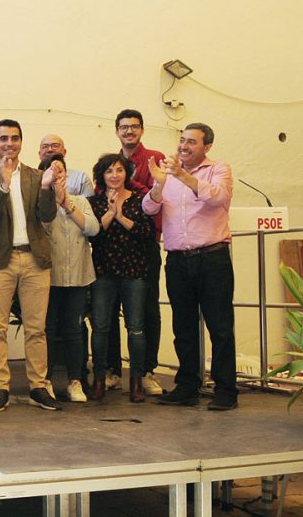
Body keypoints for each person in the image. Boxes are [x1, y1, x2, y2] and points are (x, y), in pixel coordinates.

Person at [143, 123, 237, 410]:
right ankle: (187, 385)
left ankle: (225, 390)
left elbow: (218, 197)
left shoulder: (218, 169)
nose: (183, 146)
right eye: (182, 141)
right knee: (182, 326)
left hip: (212, 258)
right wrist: (159, 182)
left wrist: (181, 176)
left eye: (191, 142)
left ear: (207, 146)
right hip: (178, 261)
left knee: (219, 327)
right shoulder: (167, 174)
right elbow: (148, 208)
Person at [0, 118, 60, 413]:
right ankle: (0, 387)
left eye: (15, 138)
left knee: (37, 328)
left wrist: (48, 189)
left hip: (34, 259)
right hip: (0, 260)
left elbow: (46, 216)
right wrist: (5, 185)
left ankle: (38, 386)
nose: (10, 143)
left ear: (21, 142)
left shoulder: (36, 175)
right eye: (4, 138)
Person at [86, 153, 154, 402]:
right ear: (102, 176)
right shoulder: (93, 202)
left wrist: (121, 216)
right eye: (109, 171)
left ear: (127, 174)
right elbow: (92, 234)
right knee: (101, 327)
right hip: (103, 271)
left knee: (135, 328)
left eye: (119, 170)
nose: (114, 175)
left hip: (134, 271)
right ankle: (100, 379)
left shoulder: (140, 200)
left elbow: (146, 232)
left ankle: (136, 381)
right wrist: (109, 213)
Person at [113, 110, 167, 395]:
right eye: (124, 127)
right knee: (109, 311)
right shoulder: (112, 163)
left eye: (134, 127)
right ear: (117, 131)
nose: (129, 131)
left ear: (142, 130)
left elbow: (157, 196)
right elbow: (103, 194)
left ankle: (147, 371)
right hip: (113, 247)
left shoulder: (154, 158)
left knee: (147, 309)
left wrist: (127, 185)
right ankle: (111, 370)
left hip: (145, 243)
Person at [39, 154, 98, 403]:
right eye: (51, 172)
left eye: (60, 172)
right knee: (48, 330)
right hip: (48, 278)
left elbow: (93, 229)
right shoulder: (40, 204)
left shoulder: (81, 201)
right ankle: (47, 381)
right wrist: (53, 204)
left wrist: (67, 205)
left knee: (74, 330)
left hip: (77, 276)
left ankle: (75, 381)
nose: (57, 176)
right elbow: (39, 231)